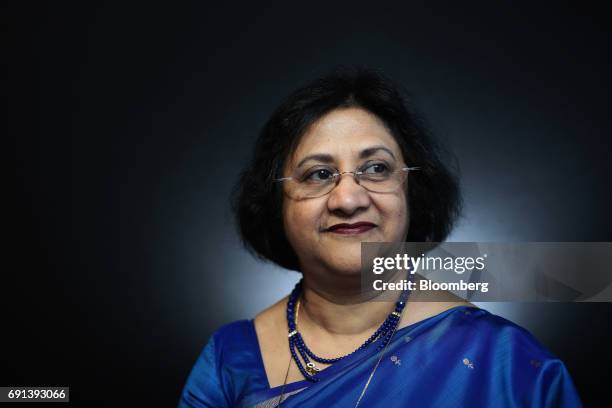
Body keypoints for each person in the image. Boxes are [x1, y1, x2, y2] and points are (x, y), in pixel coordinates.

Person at [178, 67, 582, 407]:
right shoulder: (230, 359)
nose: (349, 198)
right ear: (275, 205)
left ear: (413, 191)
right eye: (319, 174)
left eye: (375, 169)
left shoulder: (507, 365)